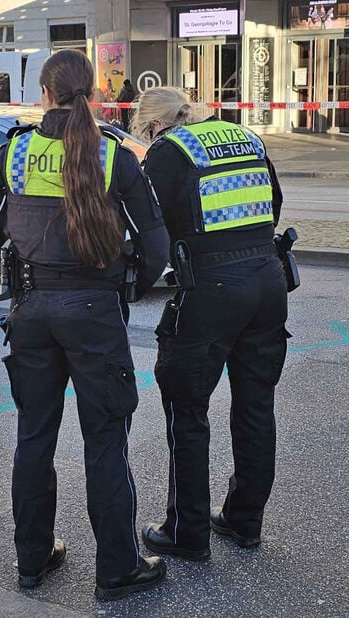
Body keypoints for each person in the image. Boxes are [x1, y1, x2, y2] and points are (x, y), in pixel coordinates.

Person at [0, 49, 170, 601]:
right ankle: (117, 571)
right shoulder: (114, 157)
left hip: (30, 313)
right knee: (106, 444)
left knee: (34, 436)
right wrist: (125, 291)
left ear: (45, 96)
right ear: (95, 95)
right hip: (95, 315)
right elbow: (156, 247)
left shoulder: (13, 154)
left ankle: (33, 560)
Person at [130, 87, 289, 561]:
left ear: (154, 125)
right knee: (256, 405)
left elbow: (148, 225)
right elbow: (274, 203)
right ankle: (244, 521)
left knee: (187, 409)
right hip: (268, 281)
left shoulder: (169, 151)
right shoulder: (246, 137)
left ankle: (187, 531)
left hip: (211, 291)